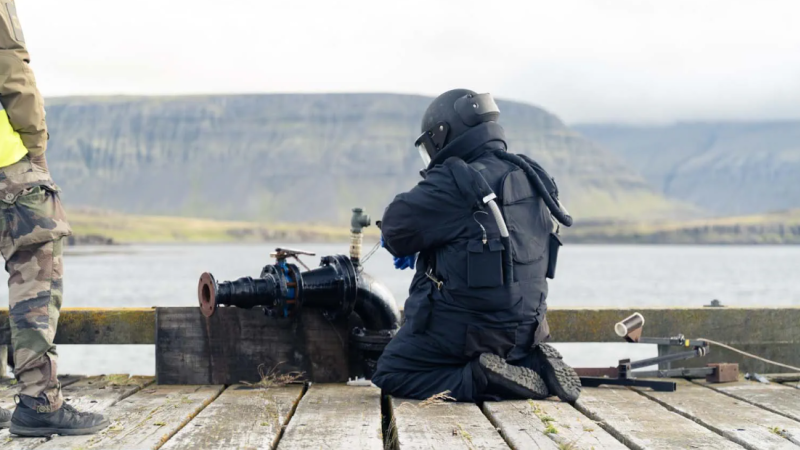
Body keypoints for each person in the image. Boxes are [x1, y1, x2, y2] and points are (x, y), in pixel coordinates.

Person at [372, 89, 581, 403]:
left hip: (468, 336)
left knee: (392, 371)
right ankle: (529, 361)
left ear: (443, 135)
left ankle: (480, 377)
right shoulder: (532, 174)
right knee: (499, 343)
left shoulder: (455, 180)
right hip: (528, 332)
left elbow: (395, 228)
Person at [0, 1, 108, 436]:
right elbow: (10, 67)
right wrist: (35, 148)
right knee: (37, 263)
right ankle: (40, 401)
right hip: (7, 161)